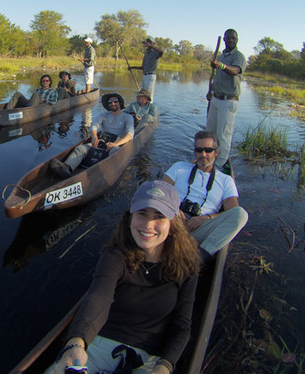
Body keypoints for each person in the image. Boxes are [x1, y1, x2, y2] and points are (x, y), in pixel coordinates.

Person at [48, 180, 200, 374]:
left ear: (172, 223)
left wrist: (164, 366)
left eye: (159, 216)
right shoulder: (115, 256)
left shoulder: (186, 267)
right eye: (142, 213)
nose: (148, 224)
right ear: (130, 217)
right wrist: (76, 343)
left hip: (150, 358)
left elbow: (181, 326)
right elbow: (98, 298)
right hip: (98, 345)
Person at [163, 130, 248, 262]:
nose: (203, 154)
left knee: (241, 214)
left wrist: (206, 219)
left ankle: (200, 257)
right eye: (199, 150)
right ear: (195, 152)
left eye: (208, 150)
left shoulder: (226, 180)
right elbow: (160, 191)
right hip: (171, 222)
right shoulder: (179, 167)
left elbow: (232, 212)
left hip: (199, 230)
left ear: (216, 152)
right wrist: (173, 209)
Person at [50, 93, 134, 179]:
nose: (112, 103)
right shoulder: (103, 115)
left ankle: (105, 174)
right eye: (110, 102)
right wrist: (94, 137)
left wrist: (116, 144)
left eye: (115, 101)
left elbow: (130, 135)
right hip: (102, 142)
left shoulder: (127, 117)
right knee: (80, 148)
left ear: (120, 103)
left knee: (115, 151)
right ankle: (67, 168)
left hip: (117, 143)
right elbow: (93, 127)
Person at [206, 29, 247, 169]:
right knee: (210, 132)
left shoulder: (239, 57)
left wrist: (221, 66)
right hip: (216, 99)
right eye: (228, 38)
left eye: (233, 38)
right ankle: (208, 158)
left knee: (223, 135)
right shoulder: (222, 56)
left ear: (237, 40)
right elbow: (217, 76)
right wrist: (211, 91)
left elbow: (235, 70)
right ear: (224, 39)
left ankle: (218, 166)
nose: (231, 40)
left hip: (228, 101)